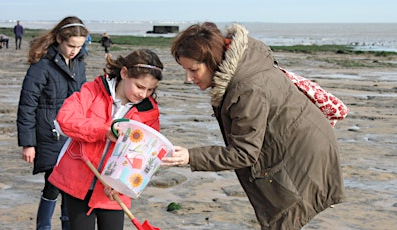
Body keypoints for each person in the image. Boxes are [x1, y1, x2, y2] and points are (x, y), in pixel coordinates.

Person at [162, 22, 345, 230]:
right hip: (299, 140)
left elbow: (244, 153)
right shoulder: (245, 63)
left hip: (304, 154)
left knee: (286, 216)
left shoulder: (246, 89)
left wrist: (190, 156)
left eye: (194, 70)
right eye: (185, 70)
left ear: (213, 61)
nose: (188, 78)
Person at [48, 49, 164, 230]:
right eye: (140, 87)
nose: (143, 94)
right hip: (78, 181)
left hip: (114, 189)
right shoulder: (92, 90)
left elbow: (145, 155)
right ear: (124, 73)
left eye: (150, 90)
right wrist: (104, 131)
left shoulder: (149, 111)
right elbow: (65, 120)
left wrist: (122, 184)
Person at [16, 16, 89, 230]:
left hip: (72, 134)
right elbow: (27, 104)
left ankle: (65, 225)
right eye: (71, 45)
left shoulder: (79, 64)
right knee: (54, 183)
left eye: (79, 46)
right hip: (49, 133)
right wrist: (28, 143)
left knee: (69, 184)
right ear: (59, 39)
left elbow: (83, 97)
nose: (74, 50)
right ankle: (44, 226)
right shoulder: (42, 65)